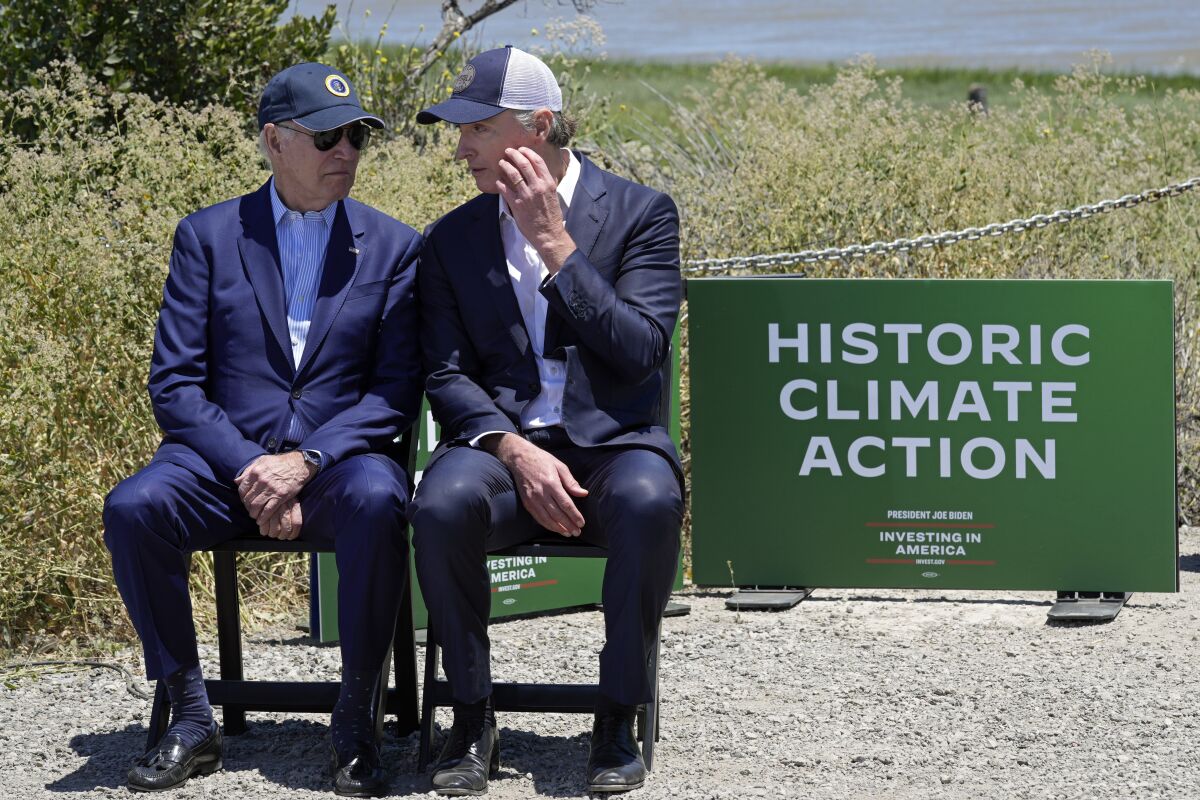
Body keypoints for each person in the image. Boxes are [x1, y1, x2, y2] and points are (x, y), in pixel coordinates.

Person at [102, 63, 422, 797]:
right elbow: (175, 385)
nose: (346, 150)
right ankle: (189, 715)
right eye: (328, 136)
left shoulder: (394, 246)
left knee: (380, 501)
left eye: (358, 136)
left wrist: (305, 462)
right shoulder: (208, 236)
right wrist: (256, 467)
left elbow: (395, 391)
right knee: (134, 508)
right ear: (274, 140)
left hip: (338, 463)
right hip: (223, 462)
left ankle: (355, 720)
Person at [410, 46, 684, 795]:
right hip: (503, 445)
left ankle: (617, 716)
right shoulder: (452, 237)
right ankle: (471, 720)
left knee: (650, 500)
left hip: (613, 443)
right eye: (457, 129)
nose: (460, 146)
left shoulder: (642, 213)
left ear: (537, 126)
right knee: (440, 504)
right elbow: (445, 373)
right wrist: (513, 450)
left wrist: (557, 247)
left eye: (476, 126)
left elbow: (641, 352)